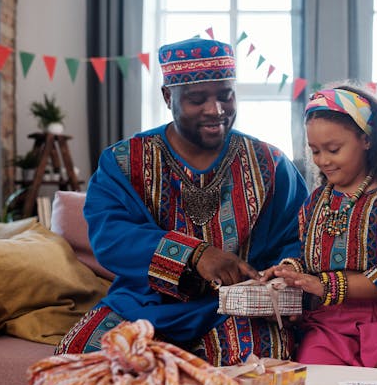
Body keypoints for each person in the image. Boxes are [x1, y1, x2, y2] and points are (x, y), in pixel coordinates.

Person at [55, 37, 309, 366]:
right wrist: (194, 255)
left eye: (225, 96)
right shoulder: (125, 161)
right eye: (196, 99)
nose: (215, 110)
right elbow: (111, 236)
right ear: (167, 96)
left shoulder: (269, 163)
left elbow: (301, 234)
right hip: (143, 302)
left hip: (237, 309)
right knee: (77, 362)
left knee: (259, 369)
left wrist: (285, 279)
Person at [268, 85, 377, 367]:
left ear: (366, 140)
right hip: (327, 324)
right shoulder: (316, 201)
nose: (323, 161)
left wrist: (322, 284)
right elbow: (307, 255)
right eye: (315, 151)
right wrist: (291, 272)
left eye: (333, 149)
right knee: (315, 378)